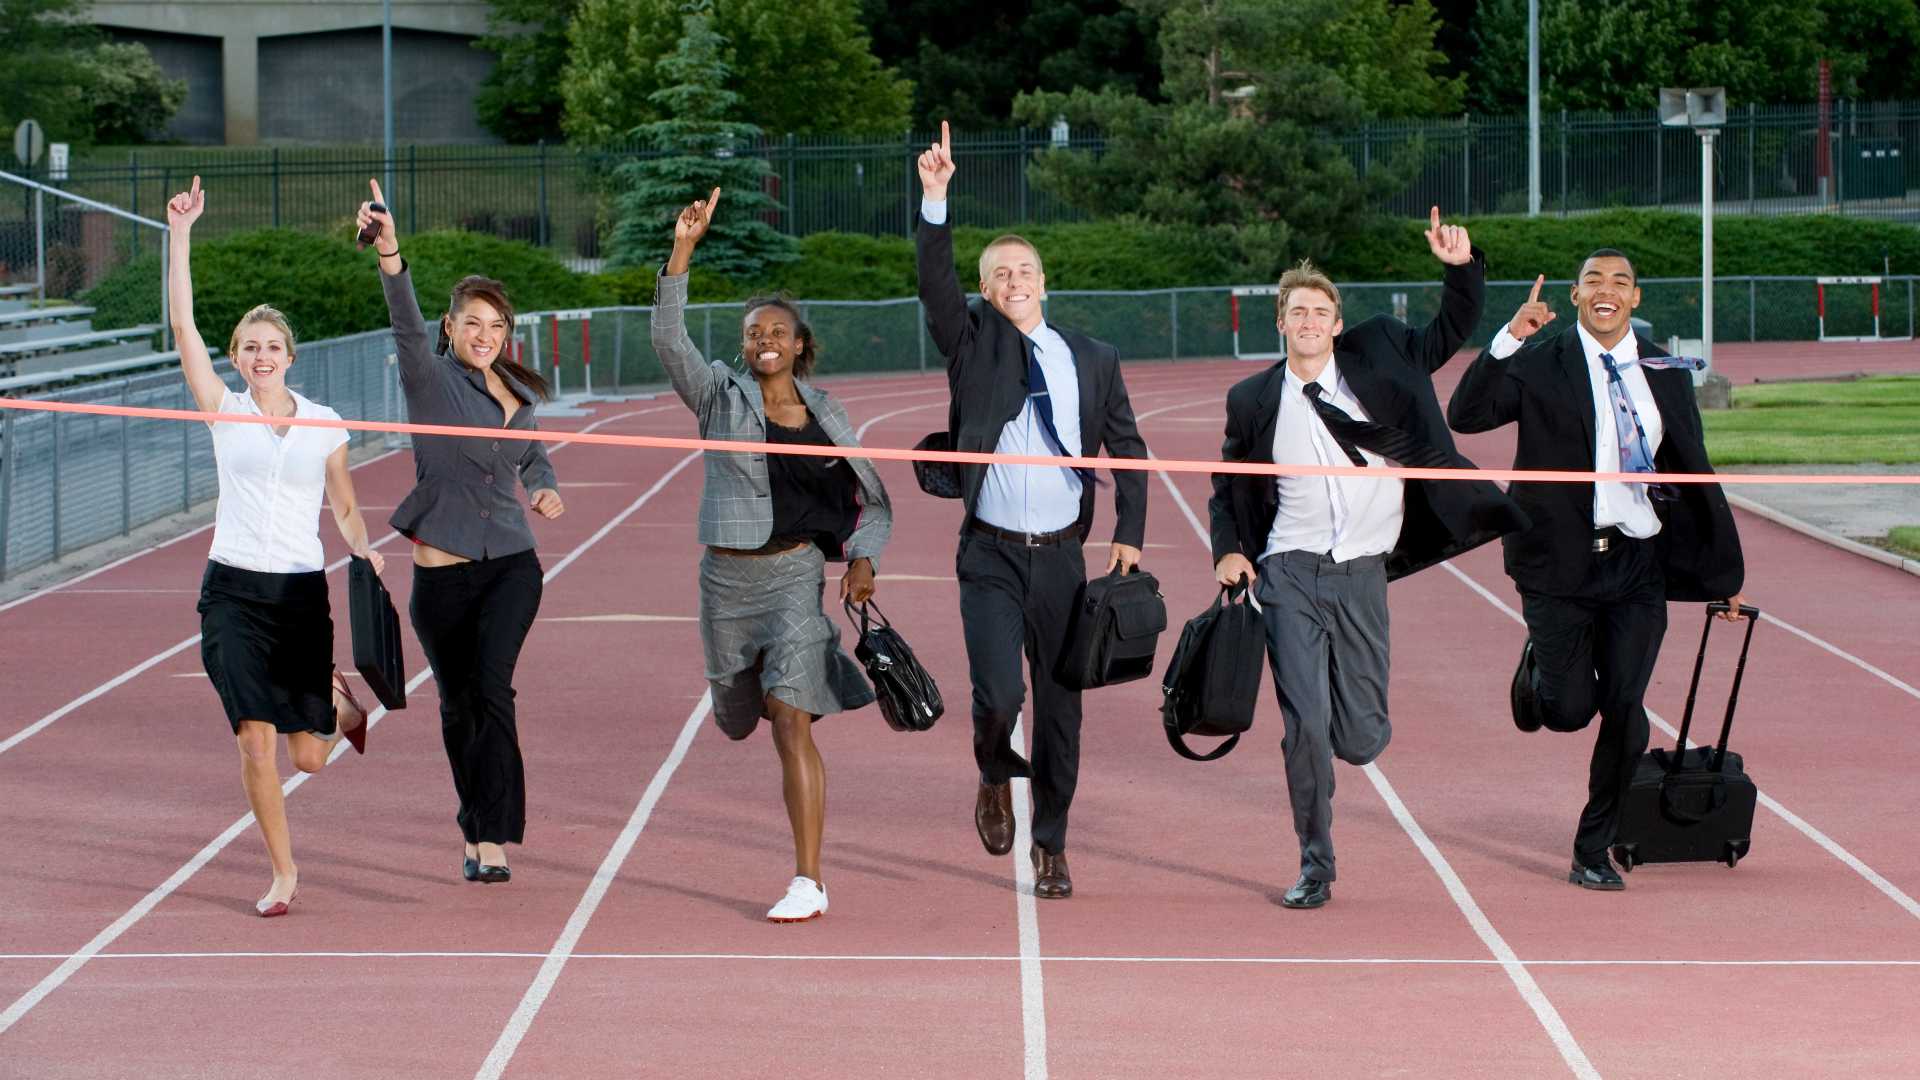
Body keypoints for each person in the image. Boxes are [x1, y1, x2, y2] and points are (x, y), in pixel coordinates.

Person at [1208, 210, 1526, 910]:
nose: (1310, 322)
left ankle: (1361, 731)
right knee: (1305, 726)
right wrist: (1229, 551)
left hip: (1363, 575)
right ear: (1282, 325)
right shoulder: (1253, 400)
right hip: (1289, 572)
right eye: (1298, 313)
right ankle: (1315, 862)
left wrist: (1459, 266)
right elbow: (1229, 487)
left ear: (1337, 321)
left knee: (1355, 737)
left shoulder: (1381, 350)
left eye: (1321, 311)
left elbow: (1449, 331)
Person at [1448, 250, 1748, 890]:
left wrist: (1722, 576)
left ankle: (1594, 846)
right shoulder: (1543, 361)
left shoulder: (1664, 369)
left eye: (1619, 283)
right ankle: (1541, 670)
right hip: (1557, 564)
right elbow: (1466, 416)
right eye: (1593, 281)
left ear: (1635, 299)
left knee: (1626, 708)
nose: (1606, 291)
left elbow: (1693, 471)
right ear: (1577, 296)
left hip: (1638, 564)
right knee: (1568, 712)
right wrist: (1508, 339)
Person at [915, 122, 1149, 900]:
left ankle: (1050, 843)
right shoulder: (970, 339)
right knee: (1000, 697)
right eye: (1001, 273)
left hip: (1061, 561)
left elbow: (1131, 452)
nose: (1015, 279)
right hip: (987, 554)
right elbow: (935, 283)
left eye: (1026, 269)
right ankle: (991, 772)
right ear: (987, 290)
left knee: (1058, 714)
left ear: (1045, 281)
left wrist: (1130, 536)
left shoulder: (1094, 358)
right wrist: (937, 198)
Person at [650, 188, 892, 923]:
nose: (764, 340)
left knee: (791, 717)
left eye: (777, 331)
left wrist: (861, 559)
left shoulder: (830, 414)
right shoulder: (719, 395)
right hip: (727, 580)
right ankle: (747, 692)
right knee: (736, 714)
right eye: (754, 330)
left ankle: (807, 878)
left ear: (799, 345)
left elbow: (870, 501)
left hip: (794, 578)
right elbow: (669, 341)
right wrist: (682, 252)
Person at [168, 176, 384, 918]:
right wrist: (182, 234)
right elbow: (183, 328)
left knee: (309, 758)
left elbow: (346, 507)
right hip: (232, 592)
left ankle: (338, 706)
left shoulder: (325, 422)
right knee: (255, 743)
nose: (262, 356)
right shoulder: (223, 411)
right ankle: (284, 872)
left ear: (291, 355)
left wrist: (364, 549)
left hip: (298, 596)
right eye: (249, 347)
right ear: (236, 357)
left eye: (272, 346)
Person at [355, 179, 565, 885]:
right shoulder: (429, 380)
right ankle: (473, 828)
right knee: (457, 706)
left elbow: (531, 456)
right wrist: (390, 250)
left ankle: (498, 837)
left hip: (511, 564)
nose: (485, 336)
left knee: (494, 691)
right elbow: (404, 323)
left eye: (497, 326)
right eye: (473, 323)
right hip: (441, 574)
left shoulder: (520, 395)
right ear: (452, 327)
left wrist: (544, 488)